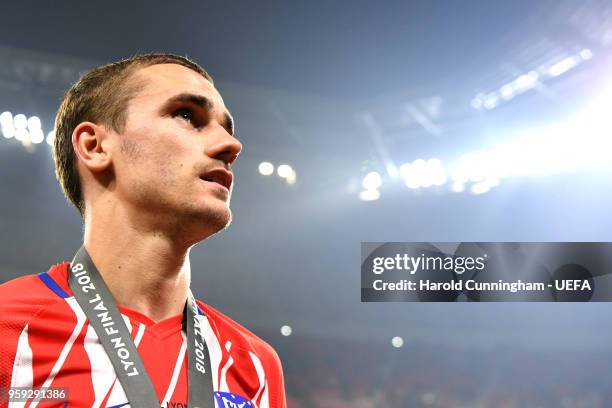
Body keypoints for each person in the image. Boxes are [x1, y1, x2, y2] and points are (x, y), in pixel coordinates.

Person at [0, 54, 286, 408]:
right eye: (186, 115)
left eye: (227, 127)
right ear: (95, 146)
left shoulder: (256, 365)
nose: (232, 145)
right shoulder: (7, 330)